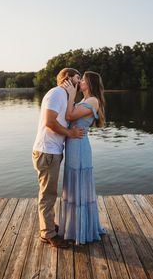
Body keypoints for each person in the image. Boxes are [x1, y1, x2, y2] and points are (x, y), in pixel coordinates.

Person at [32, 68, 84, 248]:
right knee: (48, 195)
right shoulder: (56, 93)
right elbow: (50, 122)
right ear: (67, 78)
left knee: (49, 192)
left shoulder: (64, 96)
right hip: (47, 151)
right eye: (78, 78)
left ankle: (47, 225)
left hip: (52, 151)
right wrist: (70, 133)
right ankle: (48, 234)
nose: (80, 82)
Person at [59, 71, 106, 245]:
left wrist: (71, 95)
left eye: (84, 80)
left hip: (79, 147)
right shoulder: (85, 100)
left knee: (79, 183)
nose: (81, 82)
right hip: (73, 144)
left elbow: (69, 116)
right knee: (72, 185)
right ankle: (73, 227)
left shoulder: (93, 100)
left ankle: (82, 230)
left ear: (90, 84)